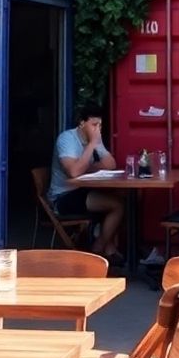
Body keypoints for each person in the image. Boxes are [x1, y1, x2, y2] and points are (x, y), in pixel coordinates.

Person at [49, 105, 126, 263]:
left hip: (83, 191)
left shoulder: (95, 139)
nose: (97, 129)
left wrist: (88, 163)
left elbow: (111, 164)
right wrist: (91, 145)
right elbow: (74, 172)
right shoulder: (67, 139)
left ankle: (107, 248)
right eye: (93, 125)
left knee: (125, 196)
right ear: (82, 123)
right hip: (63, 196)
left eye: (100, 125)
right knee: (117, 205)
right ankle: (97, 252)